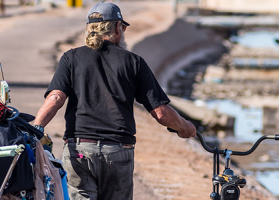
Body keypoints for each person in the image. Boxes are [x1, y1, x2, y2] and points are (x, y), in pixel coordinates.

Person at [31, 2, 197, 200]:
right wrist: (184, 126)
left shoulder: (70, 58)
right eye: (123, 28)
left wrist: (36, 127)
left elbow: (56, 98)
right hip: (118, 153)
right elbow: (160, 112)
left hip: (79, 152)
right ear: (117, 28)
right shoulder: (133, 62)